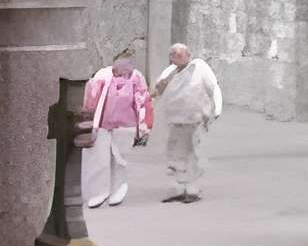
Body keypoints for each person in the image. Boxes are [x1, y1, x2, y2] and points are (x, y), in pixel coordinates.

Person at [151, 43, 223, 204]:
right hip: (174, 121)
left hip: (194, 120)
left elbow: (213, 87)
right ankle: (179, 188)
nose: (177, 57)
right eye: (173, 55)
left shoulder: (199, 67)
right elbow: (158, 91)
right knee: (176, 154)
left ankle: (192, 189)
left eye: (180, 54)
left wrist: (217, 109)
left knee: (193, 153)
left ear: (188, 55)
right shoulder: (170, 72)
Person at [80, 51, 151, 208]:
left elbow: (143, 100)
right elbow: (90, 99)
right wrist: (87, 118)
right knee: (98, 158)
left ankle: (118, 189)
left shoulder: (136, 77)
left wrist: (144, 126)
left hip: (126, 125)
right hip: (102, 124)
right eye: (121, 64)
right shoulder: (102, 75)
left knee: (120, 159)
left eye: (128, 64)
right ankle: (98, 193)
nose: (125, 68)